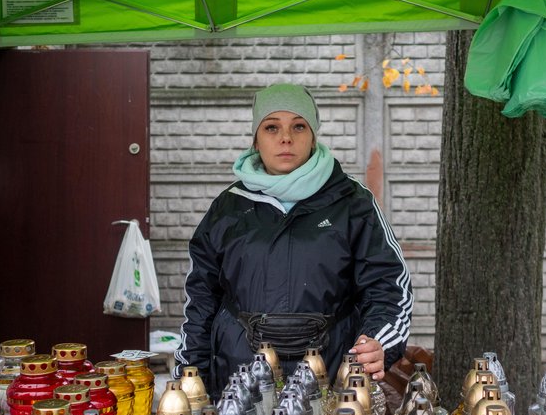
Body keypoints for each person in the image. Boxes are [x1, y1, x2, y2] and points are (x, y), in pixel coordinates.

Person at [174, 83, 412, 397]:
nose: (286, 138)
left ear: (313, 136)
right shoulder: (228, 208)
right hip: (238, 381)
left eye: (298, 126)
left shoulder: (353, 203)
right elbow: (201, 299)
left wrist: (378, 342)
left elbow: (389, 286)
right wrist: (190, 374)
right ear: (255, 139)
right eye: (272, 127)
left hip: (330, 377)